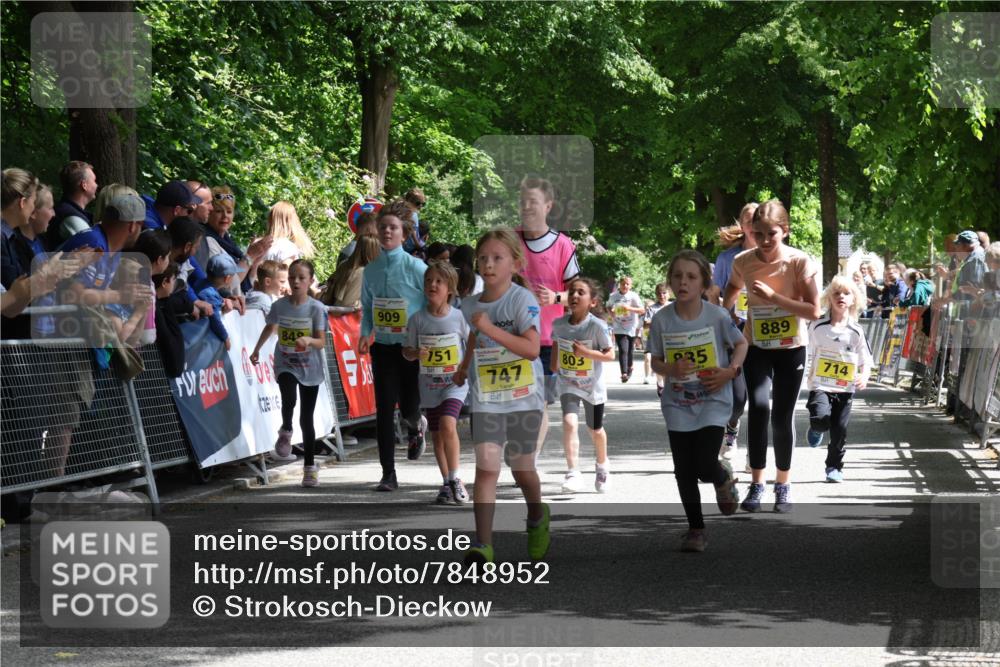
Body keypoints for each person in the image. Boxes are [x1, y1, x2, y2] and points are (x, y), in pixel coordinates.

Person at [454, 228, 549, 565]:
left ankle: (537, 516)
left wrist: (492, 328)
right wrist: (465, 367)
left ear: (515, 264)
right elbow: (474, 339)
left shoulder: (521, 300)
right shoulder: (469, 305)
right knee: (486, 468)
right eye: (483, 258)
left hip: (524, 397)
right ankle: (483, 544)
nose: (488, 264)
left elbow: (532, 349)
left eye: (497, 258)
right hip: (488, 398)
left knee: (521, 468)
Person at [723, 199, 821, 513]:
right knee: (760, 407)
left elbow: (813, 310)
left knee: (782, 417)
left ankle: (783, 484)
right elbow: (732, 288)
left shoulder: (799, 262)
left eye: (772, 234)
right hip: (757, 346)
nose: (765, 241)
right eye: (760, 233)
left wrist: (774, 297)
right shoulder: (743, 260)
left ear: (785, 231)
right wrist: (724, 316)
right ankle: (756, 483)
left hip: (791, 347)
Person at [648, 250, 747, 552]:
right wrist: (669, 369)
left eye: (691, 276)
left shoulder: (717, 316)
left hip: (713, 399)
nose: (683, 282)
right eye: (677, 275)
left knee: (704, 464)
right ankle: (696, 529)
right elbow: (655, 361)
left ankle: (721, 475)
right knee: (683, 469)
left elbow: (741, 344)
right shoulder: (662, 320)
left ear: (704, 282)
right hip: (678, 402)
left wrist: (730, 372)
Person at [359, 200, 428, 491]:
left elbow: (432, 302)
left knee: (410, 406)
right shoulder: (370, 269)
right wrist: (365, 332)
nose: (387, 231)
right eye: (383, 227)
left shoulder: (416, 267)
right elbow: (366, 306)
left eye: (394, 228)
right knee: (384, 409)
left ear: (403, 233)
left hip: (410, 349)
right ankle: (388, 473)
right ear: (377, 230)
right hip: (384, 347)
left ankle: (416, 426)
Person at [250, 259, 329, 487]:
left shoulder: (316, 308)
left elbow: (322, 341)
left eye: (301, 278)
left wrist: (309, 340)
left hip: (309, 366)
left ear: (310, 281)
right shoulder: (279, 306)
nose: (295, 281)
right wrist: (256, 349)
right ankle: (285, 428)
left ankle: (310, 467)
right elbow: (270, 327)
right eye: (292, 276)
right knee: (288, 398)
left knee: (307, 417)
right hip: (285, 361)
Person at [516, 176, 580, 451]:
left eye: (534, 202)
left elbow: (580, 294)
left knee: (537, 402)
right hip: (510, 336)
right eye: (523, 202)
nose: (527, 207)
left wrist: (555, 297)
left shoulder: (563, 245)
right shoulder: (508, 241)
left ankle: (529, 458)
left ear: (548, 206)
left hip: (546, 340)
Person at [402, 260, 471, 504]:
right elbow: (406, 351)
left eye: (439, 281)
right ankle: (445, 483)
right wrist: (415, 353)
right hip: (429, 384)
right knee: (437, 436)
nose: (433, 285)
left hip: (454, 383)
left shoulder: (459, 318)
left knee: (448, 424)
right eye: (429, 280)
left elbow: (472, 344)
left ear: (450, 289)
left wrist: (464, 368)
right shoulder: (417, 319)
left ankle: (455, 479)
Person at [804, 276, 873, 483]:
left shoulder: (856, 331)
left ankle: (834, 467)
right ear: (829, 298)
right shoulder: (817, 326)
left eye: (846, 293)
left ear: (853, 300)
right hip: (820, 385)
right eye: (836, 293)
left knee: (839, 431)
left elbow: (866, 360)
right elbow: (805, 351)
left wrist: (864, 375)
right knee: (820, 419)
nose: (841, 297)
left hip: (845, 388)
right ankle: (816, 429)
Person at [551, 277, 615, 493]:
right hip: (568, 382)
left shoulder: (597, 326)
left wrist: (586, 353)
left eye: (580, 292)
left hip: (592, 387)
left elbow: (610, 355)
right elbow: (556, 347)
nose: (575, 296)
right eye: (571, 292)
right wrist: (554, 367)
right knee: (569, 423)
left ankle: (602, 465)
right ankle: (573, 472)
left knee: (595, 429)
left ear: (593, 302)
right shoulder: (559, 324)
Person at [710, 202, 758, 459]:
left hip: (764, 336)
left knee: (760, 400)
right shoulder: (727, 258)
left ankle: (756, 456)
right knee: (739, 399)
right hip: (735, 334)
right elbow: (714, 295)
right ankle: (732, 426)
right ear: (741, 225)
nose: (752, 225)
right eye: (748, 220)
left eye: (757, 220)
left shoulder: (772, 255)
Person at [198, 186, 272, 297]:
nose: (225, 216)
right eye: (219, 211)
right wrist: (250, 256)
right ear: (210, 212)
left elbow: (247, 283)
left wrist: (256, 260)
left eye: (229, 211)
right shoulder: (206, 240)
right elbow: (228, 283)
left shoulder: (228, 241)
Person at [44, 161, 98, 251]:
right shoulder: (71, 218)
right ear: (84, 185)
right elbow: (96, 252)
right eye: (94, 180)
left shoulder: (71, 212)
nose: (96, 185)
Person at [319, 235, 379, 313]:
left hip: (329, 312)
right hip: (341, 319)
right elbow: (348, 304)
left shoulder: (344, 264)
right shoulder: (363, 273)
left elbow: (327, 286)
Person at [2, 168, 38, 290]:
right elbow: (13, 290)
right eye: (33, 201)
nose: (34, 208)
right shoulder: (2, 238)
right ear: (22, 202)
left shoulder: (10, 236)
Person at [607, 276, 645, 383]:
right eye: (623, 284)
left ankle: (630, 366)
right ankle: (623, 373)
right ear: (620, 284)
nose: (625, 286)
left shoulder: (633, 296)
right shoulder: (614, 296)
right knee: (623, 349)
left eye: (628, 284)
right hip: (619, 325)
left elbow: (642, 310)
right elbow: (608, 306)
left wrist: (629, 308)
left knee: (630, 350)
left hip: (631, 326)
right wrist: (612, 314)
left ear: (631, 286)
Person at [200, 254, 241, 350]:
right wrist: (225, 337)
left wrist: (222, 302)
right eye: (233, 276)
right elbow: (215, 319)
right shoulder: (208, 293)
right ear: (227, 279)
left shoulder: (202, 283)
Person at [153, 262, 185, 377]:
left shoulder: (165, 303)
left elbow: (187, 304)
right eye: (173, 280)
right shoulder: (154, 306)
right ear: (164, 283)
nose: (174, 284)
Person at [643, 283, 671, 395]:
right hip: (656, 339)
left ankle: (667, 385)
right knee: (659, 362)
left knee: (668, 363)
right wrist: (658, 321)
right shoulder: (652, 308)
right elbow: (645, 324)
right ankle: (660, 383)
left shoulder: (674, 306)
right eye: (659, 293)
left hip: (671, 339)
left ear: (669, 294)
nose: (662, 296)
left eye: (664, 293)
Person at [401, 188, 427, 257]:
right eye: (418, 203)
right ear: (409, 201)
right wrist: (419, 246)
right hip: (409, 247)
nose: (420, 206)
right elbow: (413, 233)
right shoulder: (413, 214)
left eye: (423, 204)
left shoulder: (401, 210)